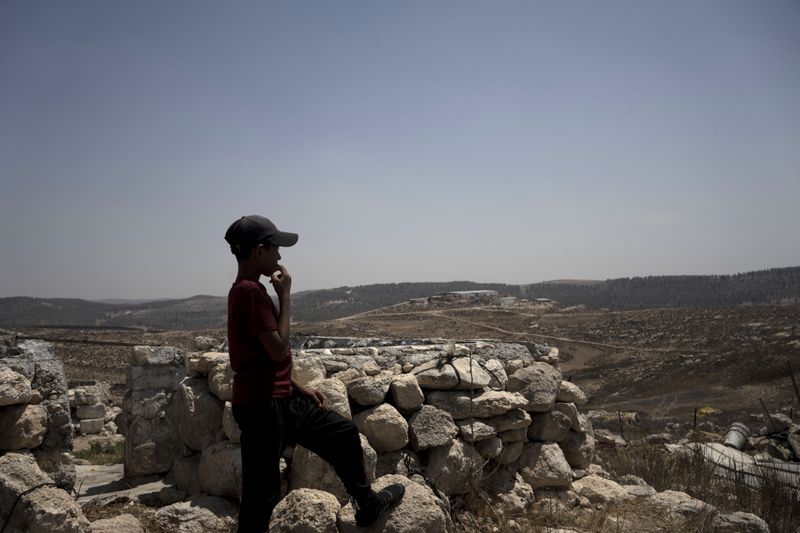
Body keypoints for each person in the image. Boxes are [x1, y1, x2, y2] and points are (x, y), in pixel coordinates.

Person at [224, 215, 404, 532]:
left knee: (343, 434)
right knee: (260, 498)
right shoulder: (251, 293)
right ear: (258, 251)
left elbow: (262, 358)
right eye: (275, 249)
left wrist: (296, 387)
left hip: (277, 401)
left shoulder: (247, 291)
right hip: (263, 407)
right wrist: (286, 296)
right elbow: (279, 350)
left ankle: (367, 504)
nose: (280, 257)